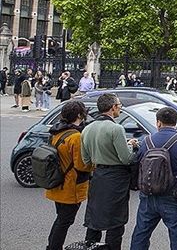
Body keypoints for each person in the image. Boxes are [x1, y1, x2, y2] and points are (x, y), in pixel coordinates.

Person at [80, 93, 138, 250]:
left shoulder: (87, 129)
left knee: (94, 221)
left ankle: (90, 246)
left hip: (98, 177)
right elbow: (126, 158)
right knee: (115, 223)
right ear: (113, 108)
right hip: (116, 179)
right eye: (119, 106)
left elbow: (86, 160)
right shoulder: (116, 128)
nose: (120, 109)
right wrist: (131, 146)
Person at [129, 107, 177, 250]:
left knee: (141, 232)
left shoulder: (146, 141)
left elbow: (137, 161)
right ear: (175, 122)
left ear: (158, 123)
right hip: (175, 195)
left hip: (148, 194)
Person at [45, 100, 95, 250]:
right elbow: (81, 165)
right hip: (70, 186)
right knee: (64, 221)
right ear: (79, 115)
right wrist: (94, 164)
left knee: (61, 219)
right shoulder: (76, 137)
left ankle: (52, 246)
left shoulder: (56, 132)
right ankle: (54, 247)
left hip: (57, 182)